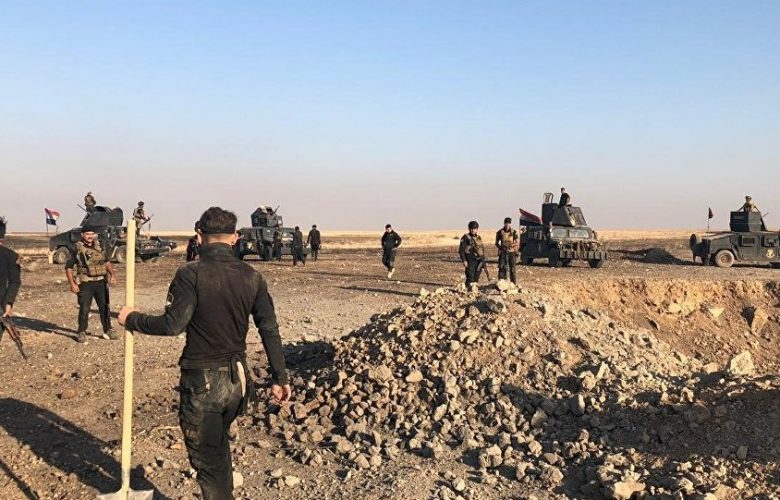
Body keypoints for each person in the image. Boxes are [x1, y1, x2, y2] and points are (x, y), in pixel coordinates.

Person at [118, 206, 291, 500]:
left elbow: (173, 325)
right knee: (217, 449)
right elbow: (269, 329)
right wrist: (280, 376)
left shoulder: (191, 274)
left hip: (204, 384)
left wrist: (132, 319)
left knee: (208, 461)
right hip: (238, 383)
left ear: (199, 235)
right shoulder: (253, 276)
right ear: (235, 237)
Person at [65, 225, 118, 343]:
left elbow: (106, 262)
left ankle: (108, 330)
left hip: (101, 282)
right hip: (85, 283)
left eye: (92, 234)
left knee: (105, 308)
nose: (90, 236)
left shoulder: (100, 246)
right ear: (82, 235)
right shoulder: (76, 248)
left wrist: (112, 275)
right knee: (84, 308)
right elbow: (69, 267)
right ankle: (81, 331)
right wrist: (72, 284)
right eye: (87, 234)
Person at [0, 217, 21, 322]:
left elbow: (15, 281)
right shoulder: (11, 256)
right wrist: (8, 302)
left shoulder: (10, 256)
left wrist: (8, 302)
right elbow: (15, 282)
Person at [459, 221, 485, 287]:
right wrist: (464, 260)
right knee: (470, 277)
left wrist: (483, 260)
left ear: (477, 229)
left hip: (479, 260)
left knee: (476, 277)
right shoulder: (465, 237)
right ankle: (468, 289)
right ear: (469, 229)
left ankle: (474, 289)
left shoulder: (479, 237)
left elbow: (481, 249)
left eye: (475, 229)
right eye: (471, 229)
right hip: (470, 260)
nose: (473, 230)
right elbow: (461, 250)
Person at [495, 217, 519, 283]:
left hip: (511, 251)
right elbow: (496, 243)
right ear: (504, 223)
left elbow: (517, 242)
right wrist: (500, 248)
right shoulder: (500, 232)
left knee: (512, 268)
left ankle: (513, 283)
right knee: (502, 267)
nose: (507, 224)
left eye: (509, 223)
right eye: (506, 223)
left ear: (510, 224)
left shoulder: (514, 232)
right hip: (503, 252)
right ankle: (502, 282)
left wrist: (513, 246)